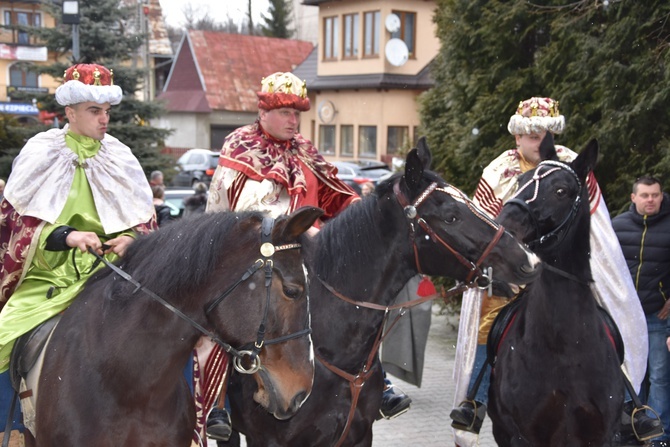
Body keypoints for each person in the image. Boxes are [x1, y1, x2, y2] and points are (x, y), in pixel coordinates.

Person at [202, 71, 411, 441]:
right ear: (264, 112)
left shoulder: (304, 150)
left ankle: (377, 380)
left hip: (313, 257)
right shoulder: (238, 147)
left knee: (359, 303)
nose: (293, 121)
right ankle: (219, 402)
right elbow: (225, 214)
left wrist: (364, 218)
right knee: (224, 317)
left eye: (297, 113)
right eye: (284, 112)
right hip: (257, 258)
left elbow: (335, 196)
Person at [449, 97, 658, 447]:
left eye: (543, 133)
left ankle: (628, 403)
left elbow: (598, 229)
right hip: (513, 277)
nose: (537, 139)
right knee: (491, 322)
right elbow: (486, 227)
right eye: (530, 134)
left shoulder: (570, 165)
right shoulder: (497, 172)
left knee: (609, 320)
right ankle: (477, 400)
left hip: (565, 270)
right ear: (517, 137)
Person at [0, 63, 156, 441]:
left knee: (169, 323)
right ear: (69, 113)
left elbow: (142, 221)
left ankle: (183, 424)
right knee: (2, 333)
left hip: (112, 274)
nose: (104, 120)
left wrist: (133, 240)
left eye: (107, 112)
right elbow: (18, 223)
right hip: (51, 274)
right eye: (93, 111)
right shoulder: (41, 151)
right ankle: (12, 431)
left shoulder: (120, 156)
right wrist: (68, 236)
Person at [612, 176, 670, 447]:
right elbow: (605, 267)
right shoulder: (618, 226)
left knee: (659, 376)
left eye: (655, 195)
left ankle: (659, 433)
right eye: (645, 195)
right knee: (631, 374)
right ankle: (635, 429)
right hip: (626, 317)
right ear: (633, 197)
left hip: (657, 315)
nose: (650, 200)